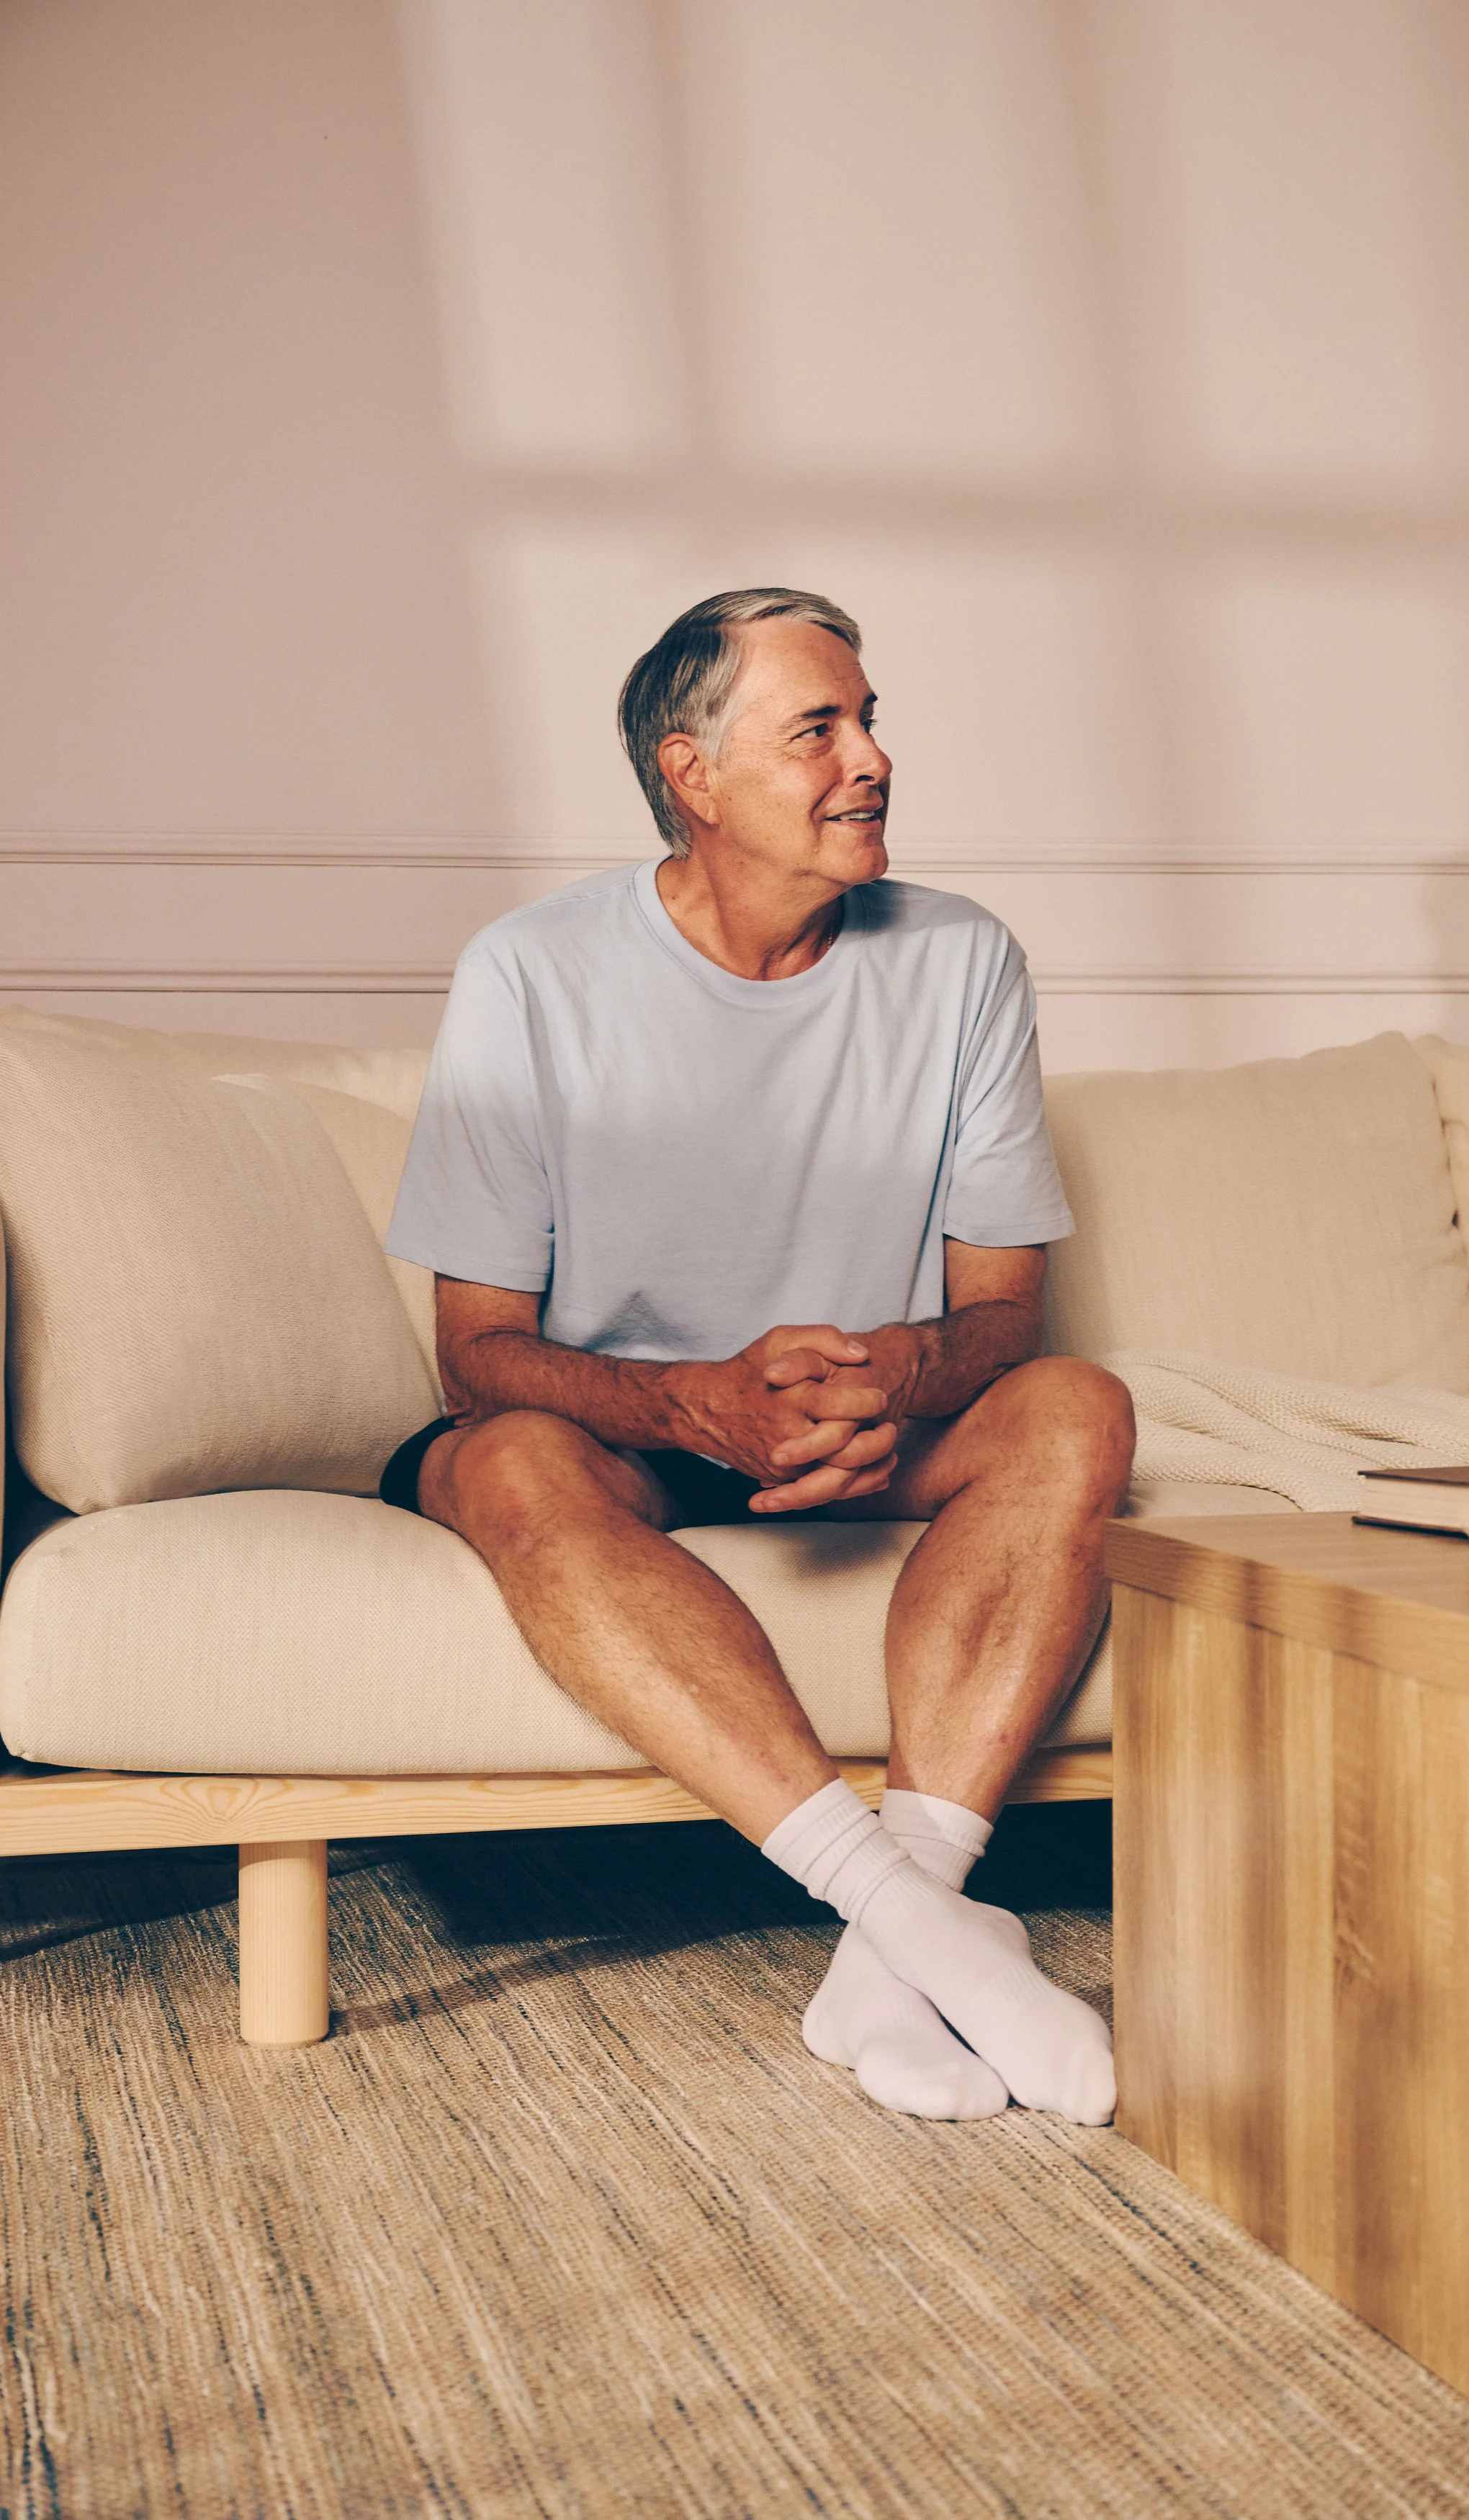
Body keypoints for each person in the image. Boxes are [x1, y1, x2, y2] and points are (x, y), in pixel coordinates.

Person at [382, 588, 1135, 2125]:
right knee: (510, 1455)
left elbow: (1004, 1320)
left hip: (854, 1424)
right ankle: (929, 1930)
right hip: (623, 1433)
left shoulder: (960, 958)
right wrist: (688, 1403)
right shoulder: (529, 973)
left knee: (1074, 1409)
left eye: (869, 720)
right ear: (692, 772)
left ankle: (889, 1952)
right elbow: (476, 1353)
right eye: (818, 728)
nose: (870, 759)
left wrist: (881, 1379)